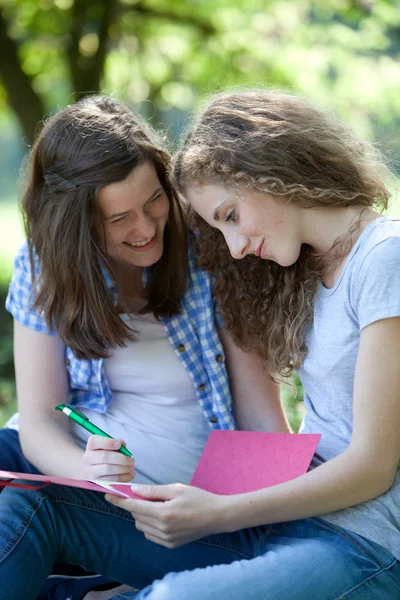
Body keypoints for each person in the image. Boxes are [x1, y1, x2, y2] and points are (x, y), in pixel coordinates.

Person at [2, 89, 398, 600]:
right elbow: (38, 418)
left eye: (154, 203)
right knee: (25, 505)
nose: (145, 229)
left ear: (267, 173)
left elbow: (355, 458)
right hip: (243, 515)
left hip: (336, 532)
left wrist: (218, 510)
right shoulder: (303, 265)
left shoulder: (367, 257)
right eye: (119, 219)